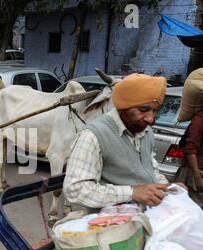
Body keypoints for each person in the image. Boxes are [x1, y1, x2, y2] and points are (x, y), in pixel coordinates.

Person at [64, 73, 178, 212]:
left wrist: (167, 188)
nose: (150, 118)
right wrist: (131, 193)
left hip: (146, 219)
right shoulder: (93, 136)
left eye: (154, 111)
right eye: (143, 110)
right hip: (110, 226)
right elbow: (75, 190)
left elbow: (150, 170)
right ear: (123, 107)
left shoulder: (146, 132)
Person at [175, 69, 203, 213]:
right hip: (197, 173)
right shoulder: (199, 121)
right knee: (196, 210)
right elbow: (190, 149)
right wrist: (197, 177)